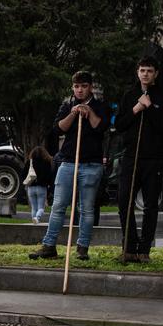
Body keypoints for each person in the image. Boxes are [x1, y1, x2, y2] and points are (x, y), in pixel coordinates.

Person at [29, 71, 109, 261]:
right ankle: (49, 246)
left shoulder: (100, 106)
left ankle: (82, 248)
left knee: (86, 209)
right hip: (68, 162)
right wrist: (73, 114)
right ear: (73, 88)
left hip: (91, 165)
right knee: (58, 206)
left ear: (90, 87)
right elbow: (58, 129)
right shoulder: (67, 105)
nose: (80, 90)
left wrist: (89, 112)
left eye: (83, 86)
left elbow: (100, 127)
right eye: (76, 86)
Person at [114, 56, 163, 263]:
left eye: (149, 70)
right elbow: (120, 125)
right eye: (142, 70)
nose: (145, 74)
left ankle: (144, 249)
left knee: (150, 205)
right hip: (131, 157)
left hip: (154, 158)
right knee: (124, 201)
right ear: (137, 72)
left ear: (155, 73)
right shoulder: (129, 95)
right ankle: (129, 246)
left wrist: (149, 107)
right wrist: (136, 109)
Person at [25, 146, 54, 222]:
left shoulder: (29, 162)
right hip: (42, 187)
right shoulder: (46, 162)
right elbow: (50, 176)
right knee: (41, 208)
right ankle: (37, 218)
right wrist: (50, 186)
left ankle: (34, 221)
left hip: (30, 187)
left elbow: (23, 174)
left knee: (34, 208)